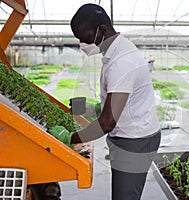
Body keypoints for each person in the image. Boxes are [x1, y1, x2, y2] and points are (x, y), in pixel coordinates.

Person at [51, 4, 161, 200]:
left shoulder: (122, 61)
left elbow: (107, 123)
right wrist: (93, 108)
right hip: (130, 136)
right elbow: (123, 100)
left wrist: (70, 138)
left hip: (134, 142)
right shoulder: (115, 51)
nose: (82, 44)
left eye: (84, 37)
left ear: (102, 30)